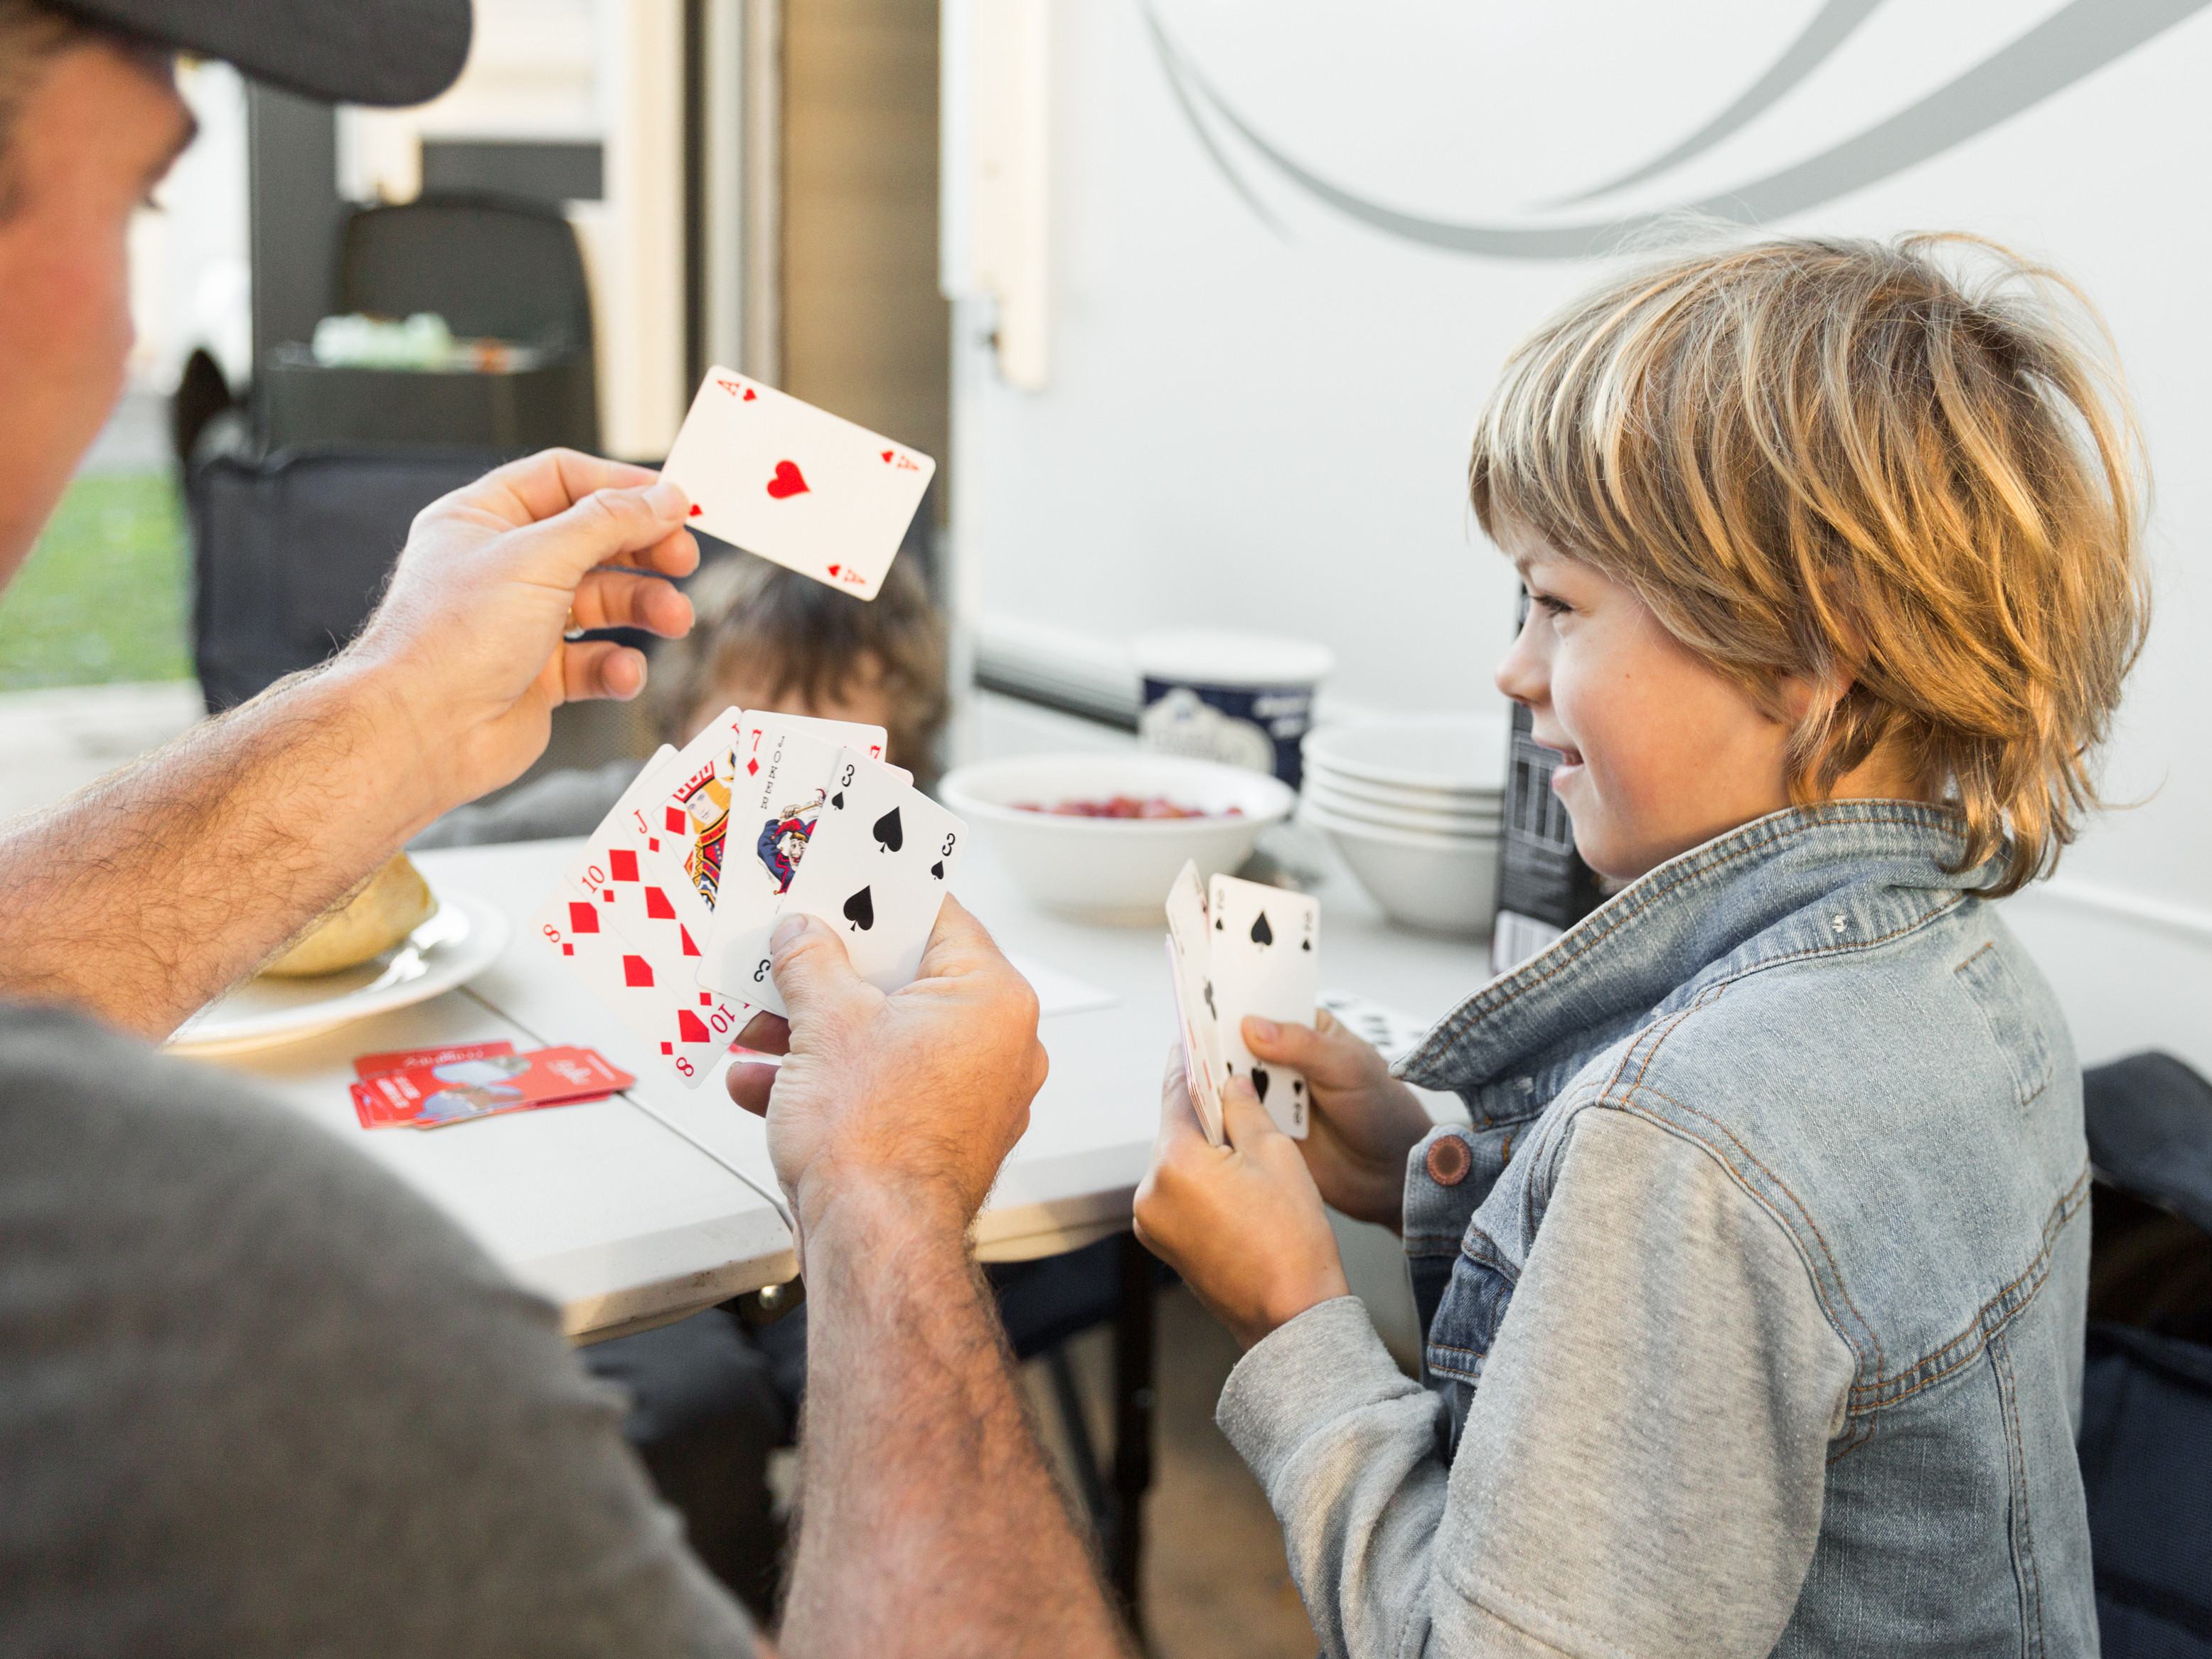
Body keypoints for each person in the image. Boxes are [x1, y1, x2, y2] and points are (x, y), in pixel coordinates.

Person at [0, 4, 1129, 1655]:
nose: (130, 348)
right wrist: (886, 1199)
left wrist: (393, 700)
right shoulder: (229, 1300)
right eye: (145, 202)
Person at [1134, 235, 2148, 1655]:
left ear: (1807, 644)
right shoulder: (1977, 979)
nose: (1512, 662)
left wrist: (1289, 1311)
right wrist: (1427, 1176)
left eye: (1556, 601)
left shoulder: (1684, 1137)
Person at [414, 553, 949, 848]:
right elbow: (412, 864)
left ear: (897, 749)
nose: (775, 765)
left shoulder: (921, 848)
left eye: (819, 734)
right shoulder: (605, 814)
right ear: (683, 716)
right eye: (753, 725)